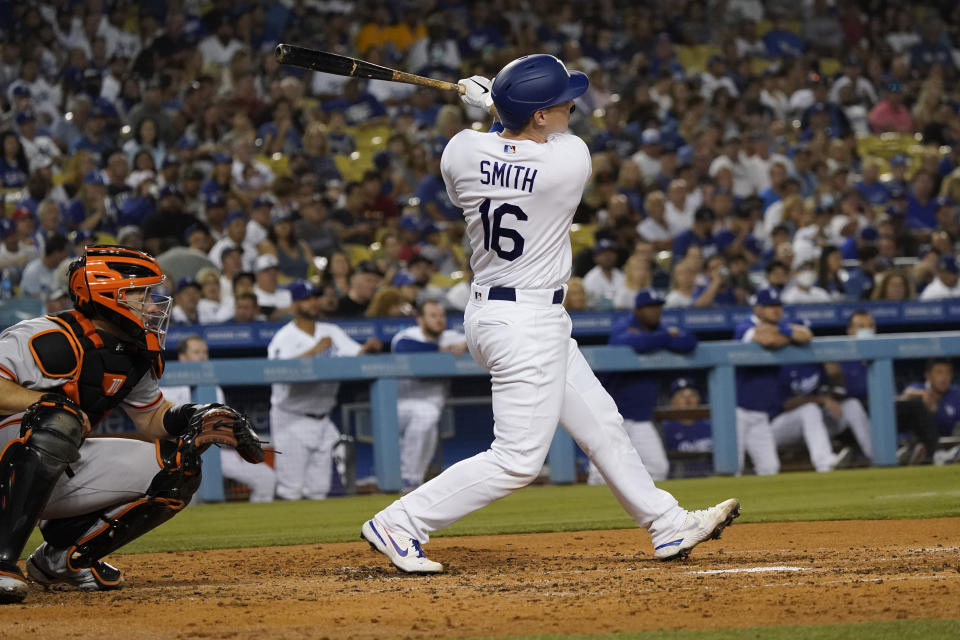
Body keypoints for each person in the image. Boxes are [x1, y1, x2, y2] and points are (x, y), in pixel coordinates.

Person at [360, 55, 739, 575]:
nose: (572, 107)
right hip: (524, 323)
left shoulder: (462, 149)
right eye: (562, 101)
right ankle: (401, 521)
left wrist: (494, 111)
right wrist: (495, 102)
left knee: (601, 422)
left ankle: (665, 522)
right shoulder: (569, 161)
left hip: (498, 313)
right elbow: (528, 145)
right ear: (538, 115)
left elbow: (492, 152)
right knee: (518, 459)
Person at [0, 246, 263, 604]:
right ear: (108, 294)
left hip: (49, 458)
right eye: (142, 294)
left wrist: (195, 416)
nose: (153, 305)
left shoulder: (131, 351)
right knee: (58, 419)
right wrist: (46, 404)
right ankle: (2, 560)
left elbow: (152, 417)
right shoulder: (44, 336)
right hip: (12, 458)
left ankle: (63, 558)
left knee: (178, 466)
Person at [267, 280, 381, 501]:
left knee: (319, 489)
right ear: (294, 304)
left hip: (323, 418)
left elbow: (356, 358)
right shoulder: (284, 337)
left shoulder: (332, 331)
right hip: (291, 419)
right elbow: (276, 372)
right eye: (306, 299)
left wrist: (367, 349)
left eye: (314, 298)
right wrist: (314, 351)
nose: (312, 302)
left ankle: (312, 536)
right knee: (290, 490)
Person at [587, 289, 697, 484]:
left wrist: (659, 336)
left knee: (658, 468)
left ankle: (638, 507)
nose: (655, 312)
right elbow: (629, 342)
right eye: (649, 308)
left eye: (657, 308)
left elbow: (689, 341)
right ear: (638, 309)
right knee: (600, 474)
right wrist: (664, 337)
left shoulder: (658, 329)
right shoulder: (624, 326)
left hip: (641, 419)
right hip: (611, 416)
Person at [160, 335, 276, 502]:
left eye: (205, 352)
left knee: (266, 478)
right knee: (187, 500)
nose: (202, 356)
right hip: (181, 453)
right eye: (196, 352)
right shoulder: (168, 386)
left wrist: (234, 446)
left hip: (216, 452)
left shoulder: (213, 385)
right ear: (182, 357)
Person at [734, 287, 814, 476]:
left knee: (770, 468)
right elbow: (769, 340)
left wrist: (780, 330)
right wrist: (787, 335)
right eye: (770, 306)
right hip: (736, 412)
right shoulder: (744, 326)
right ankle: (723, 506)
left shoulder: (781, 324)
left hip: (761, 415)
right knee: (732, 468)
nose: (776, 310)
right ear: (758, 309)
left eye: (778, 305)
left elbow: (806, 335)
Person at [391, 300, 468, 490]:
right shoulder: (408, 335)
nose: (439, 320)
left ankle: (412, 482)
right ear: (421, 320)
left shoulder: (450, 337)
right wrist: (442, 350)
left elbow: (480, 337)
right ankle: (407, 477)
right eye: (433, 316)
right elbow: (403, 347)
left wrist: (466, 343)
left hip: (431, 407)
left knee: (428, 423)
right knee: (425, 414)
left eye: (441, 316)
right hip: (400, 406)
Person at [901, 358, 960, 465]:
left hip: (946, 442)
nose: (944, 377)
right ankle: (908, 455)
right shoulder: (919, 388)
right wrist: (922, 395)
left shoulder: (955, 394)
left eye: (948, 372)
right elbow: (906, 394)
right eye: (939, 372)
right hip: (911, 442)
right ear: (928, 375)